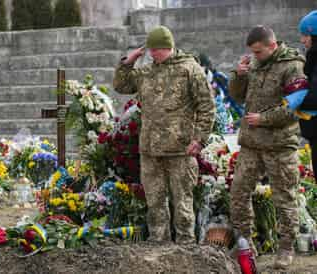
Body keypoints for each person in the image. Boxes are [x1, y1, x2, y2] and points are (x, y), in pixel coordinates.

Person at [113, 26, 215, 244]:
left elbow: (207, 106)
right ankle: (159, 240)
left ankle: (186, 242)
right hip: (150, 149)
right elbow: (121, 85)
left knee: (182, 200)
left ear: (169, 47)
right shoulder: (146, 71)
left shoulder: (189, 68)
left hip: (180, 148)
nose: (153, 54)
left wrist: (199, 139)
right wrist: (128, 62)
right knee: (155, 199)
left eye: (157, 49)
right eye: (151, 50)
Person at [228, 26, 305, 269]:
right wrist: (239, 76)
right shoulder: (255, 64)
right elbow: (238, 97)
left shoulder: (292, 66)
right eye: (252, 53)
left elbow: (295, 107)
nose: (255, 56)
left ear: (272, 46)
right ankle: (246, 245)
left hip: (279, 145)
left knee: (284, 198)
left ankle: (286, 248)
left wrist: (264, 119)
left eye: (259, 52)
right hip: (252, 143)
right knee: (238, 192)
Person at [298, 10, 317, 178]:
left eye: (305, 35)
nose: (302, 40)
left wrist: (294, 97)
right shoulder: (312, 59)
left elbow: (314, 98)